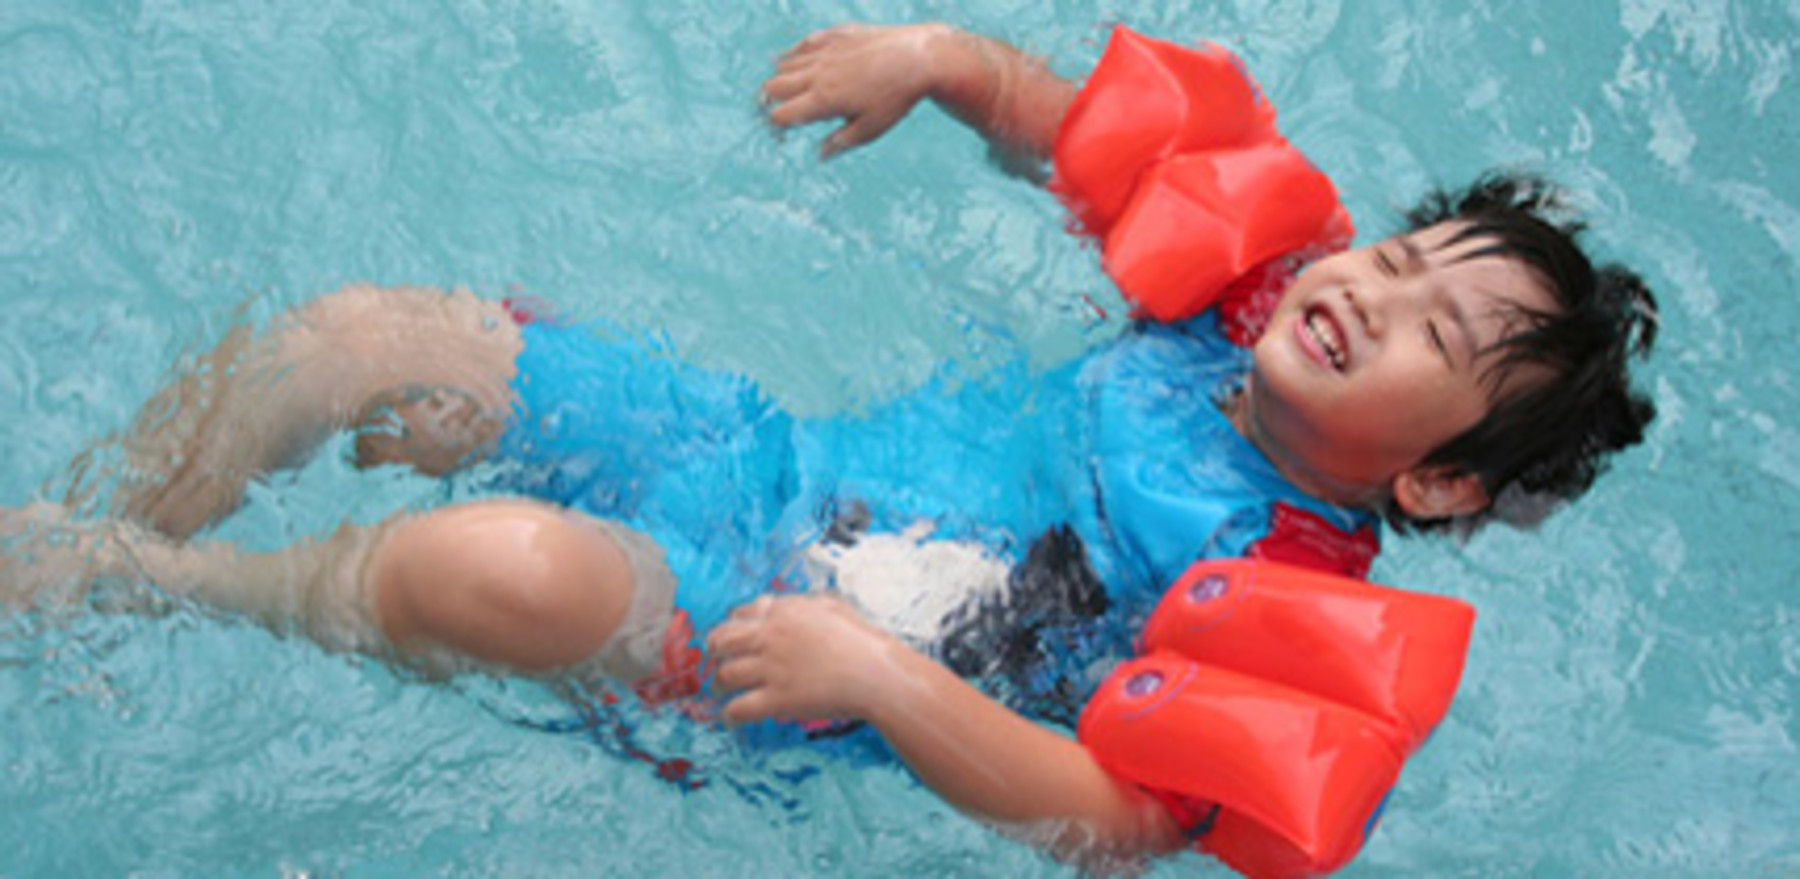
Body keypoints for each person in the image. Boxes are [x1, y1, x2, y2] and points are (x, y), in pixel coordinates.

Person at [0, 20, 1658, 871]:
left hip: (770, 660)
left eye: (1436, 336)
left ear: (1439, 478)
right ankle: (72, 537)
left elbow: (1115, 819)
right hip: (749, 456)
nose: (1371, 289)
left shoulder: (1278, 591)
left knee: (478, 563)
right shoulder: (1233, 311)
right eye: (1402, 258)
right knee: (361, 333)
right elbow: (1087, 138)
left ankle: (151, 583)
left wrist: (880, 681)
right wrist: (940, 64)